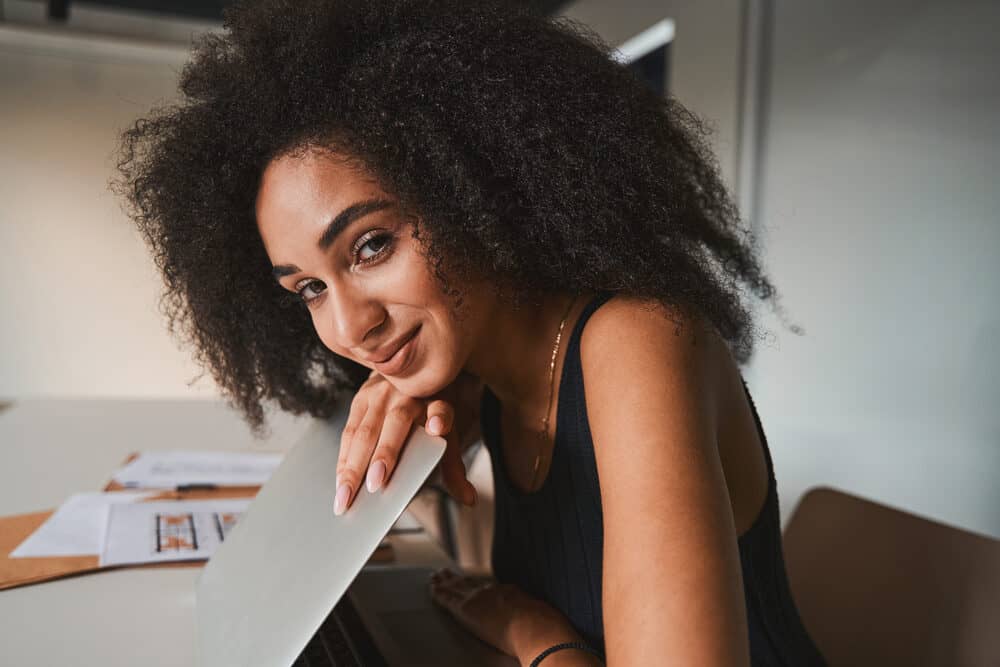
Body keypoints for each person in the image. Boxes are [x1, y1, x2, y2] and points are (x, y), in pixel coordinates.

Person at [116, 0, 826, 664]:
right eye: (309, 288)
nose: (350, 326)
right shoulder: (483, 379)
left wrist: (534, 637)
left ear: (476, 189)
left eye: (371, 246)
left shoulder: (638, 342)